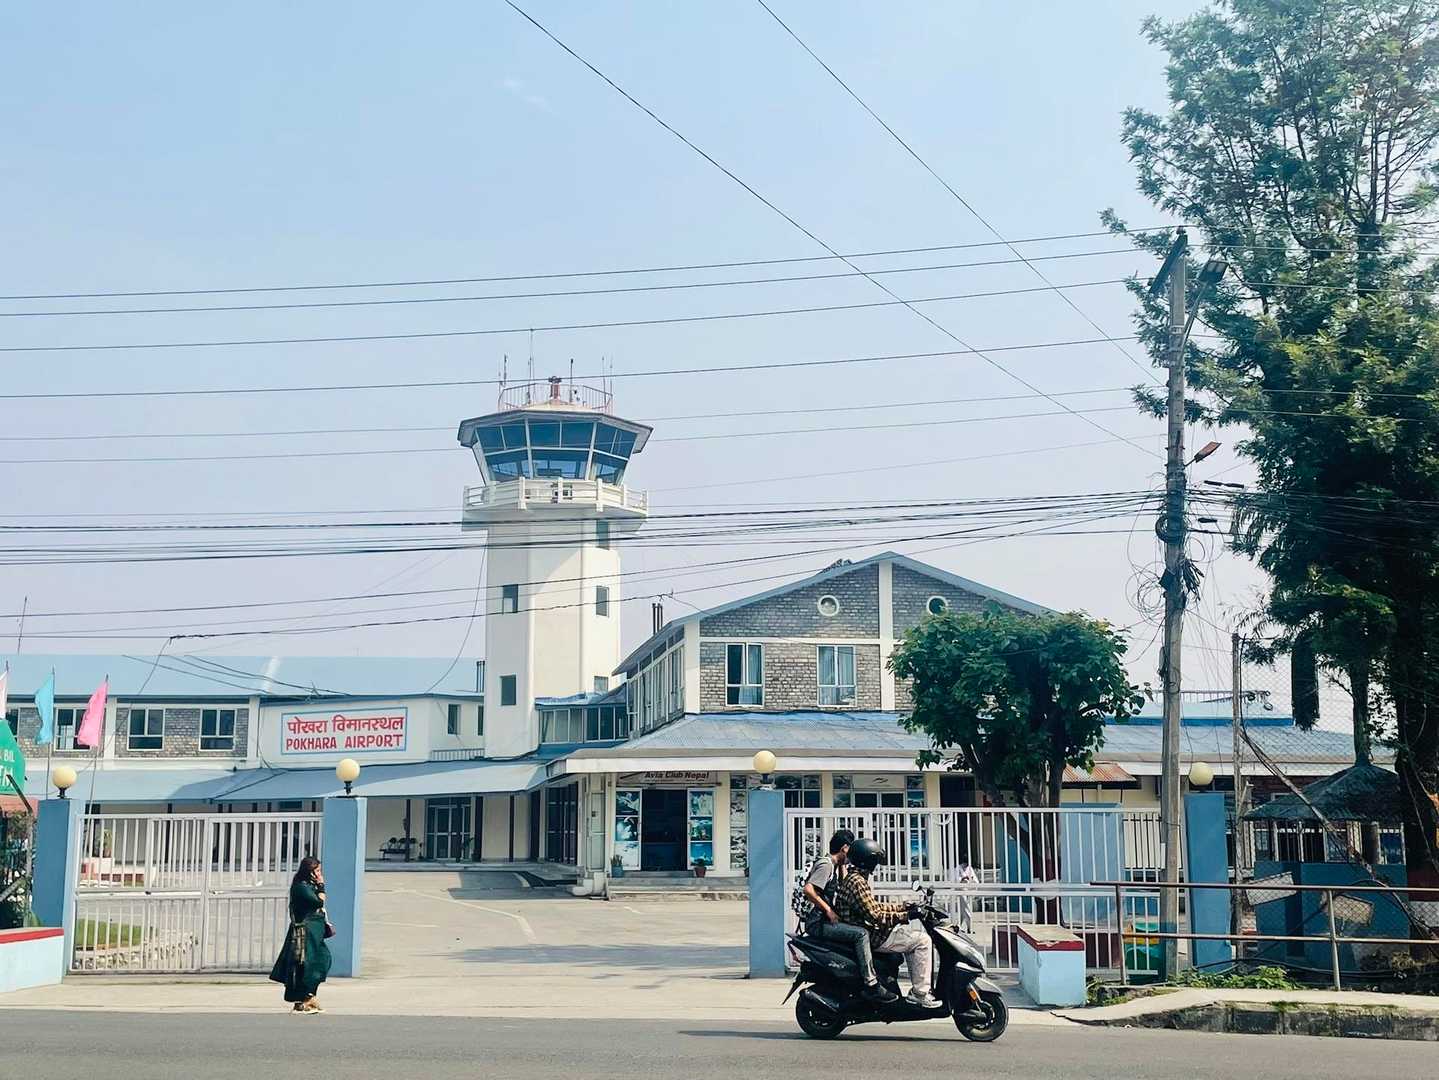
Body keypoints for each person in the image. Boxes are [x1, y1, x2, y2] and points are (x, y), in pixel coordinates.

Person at [834, 837, 937, 1007]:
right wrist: (906, 916)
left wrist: (903, 907)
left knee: (912, 940)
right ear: (866, 861)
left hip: (871, 931)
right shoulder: (857, 882)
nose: (875, 865)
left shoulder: (854, 878)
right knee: (922, 941)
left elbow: (875, 906)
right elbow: (875, 916)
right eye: (874, 861)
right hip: (875, 935)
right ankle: (920, 994)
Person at [800, 829, 897, 1004]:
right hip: (817, 922)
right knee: (861, 934)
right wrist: (828, 910)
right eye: (851, 849)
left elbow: (844, 886)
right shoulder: (826, 865)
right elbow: (809, 890)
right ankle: (871, 983)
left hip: (823, 920)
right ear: (845, 848)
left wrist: (843, 866)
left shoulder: (836, 866)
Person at [270, 855, 332, 1013]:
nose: (319, 874)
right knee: (306, 964)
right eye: (317, 871)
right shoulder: (301, 887)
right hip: (306, 931)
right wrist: (321, 886)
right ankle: (304, 999)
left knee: (322, 960)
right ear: (309, 872)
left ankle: (308, 997)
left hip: (315, 931)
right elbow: (318, 901)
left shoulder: (309, 885)